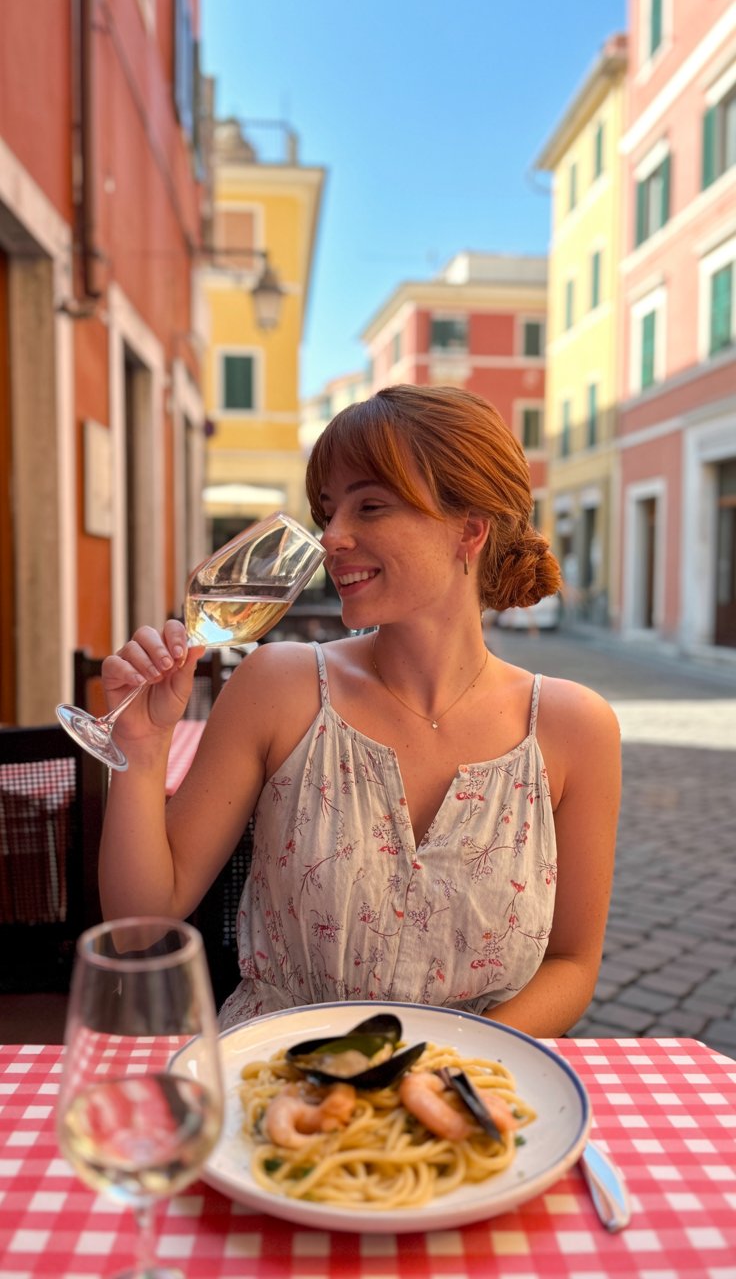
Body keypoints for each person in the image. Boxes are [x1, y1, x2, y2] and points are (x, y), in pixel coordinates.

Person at [98, 384, 621, 1037]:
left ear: (470, 530)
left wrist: (449, 1066)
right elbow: (139, 928)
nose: (332, 538)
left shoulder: (574, 728)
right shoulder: (278, 687)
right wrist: (143, 751)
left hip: (469, 1097)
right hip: (277, 1088)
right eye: (327, 511)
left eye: (370, 505)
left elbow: (572, 962)